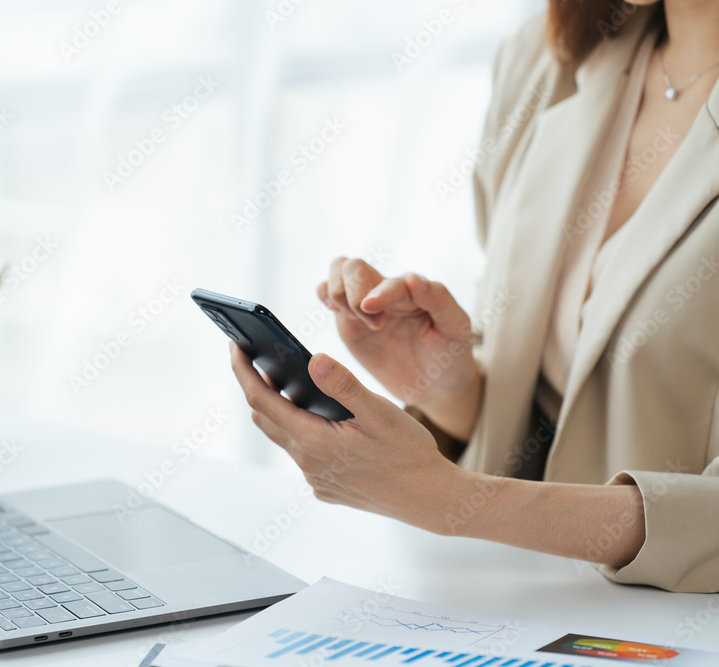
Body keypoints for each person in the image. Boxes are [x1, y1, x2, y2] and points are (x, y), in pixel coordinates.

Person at [229, 0, 719, 594]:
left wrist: (453, 501)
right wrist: (452, 390)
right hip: (535, 600)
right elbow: (554, 413)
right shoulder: (542, 61)